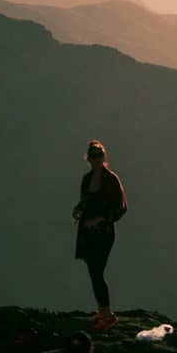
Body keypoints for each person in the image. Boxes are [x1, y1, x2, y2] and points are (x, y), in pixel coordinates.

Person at [72, 139, 127, 331]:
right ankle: (103, 312)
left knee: (97, 270)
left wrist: (100, 219)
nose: (96, 160)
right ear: (88, 159)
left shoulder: (111, 179)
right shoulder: (87, 179)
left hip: (103, 233)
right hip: (87, 233)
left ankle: (107, 315)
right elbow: (84, 201)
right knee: (93, 272)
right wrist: (78, 210)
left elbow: (121, 207)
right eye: (92, 156)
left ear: (104, 157)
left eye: (99, 156)